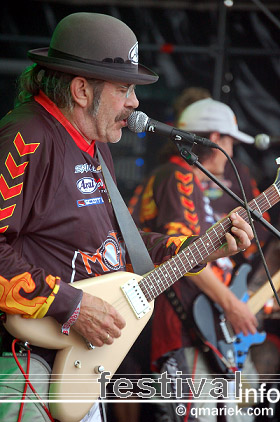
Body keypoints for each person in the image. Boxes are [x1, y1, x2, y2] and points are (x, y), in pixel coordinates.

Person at [0, 12, 255, 422]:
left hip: (80, 363)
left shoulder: (95, 147)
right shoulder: (26, 136)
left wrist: (202, 246)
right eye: (124, 89)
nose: (134, 103)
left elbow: (122, 243)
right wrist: (74, 305)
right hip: (28, 364)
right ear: (82, 89)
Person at [130, 98, 261, 422]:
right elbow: (184, 256)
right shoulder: (176, 175)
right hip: (181, 326)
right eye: (230, 141)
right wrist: (231, 304)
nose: (233, 152)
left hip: (198, 327)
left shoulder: (187, 178)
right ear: (215, 139)